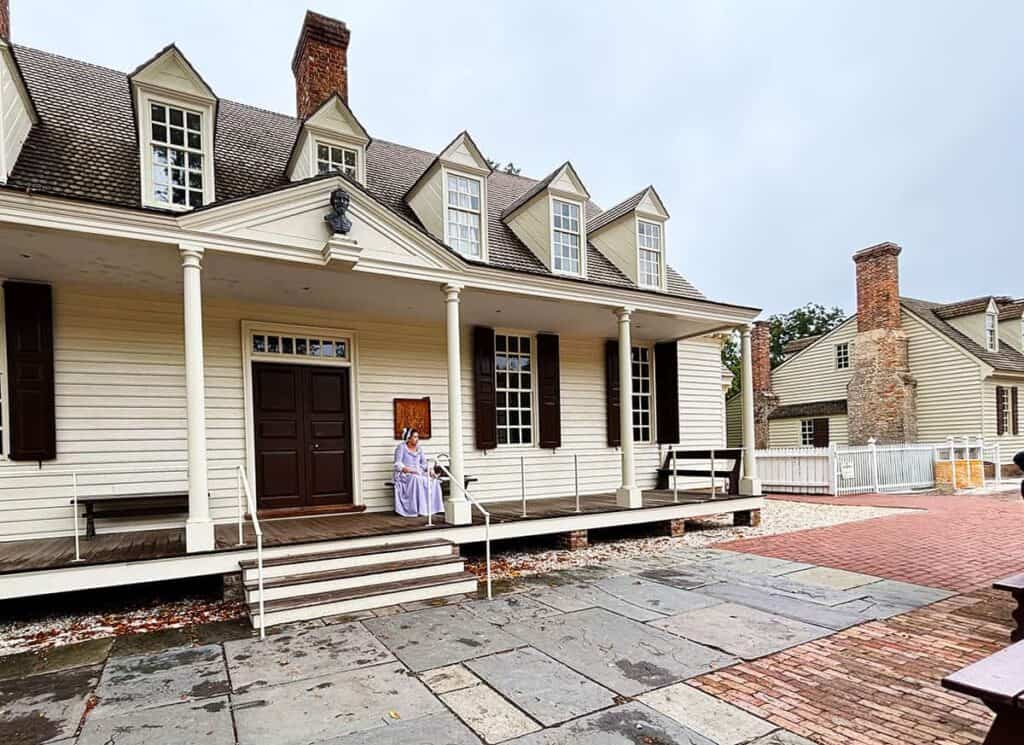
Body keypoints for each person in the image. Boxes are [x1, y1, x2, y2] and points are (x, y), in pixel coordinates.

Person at [393, 427, 443, 517]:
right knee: (416, 479)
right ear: (409, 438)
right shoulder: (401, 448)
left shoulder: (419, 449)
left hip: (418, 472)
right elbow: (398, 464)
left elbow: (424, 463)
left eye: (417, 437)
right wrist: (409, 470)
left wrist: (430, 469)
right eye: (415, 437)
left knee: (433, 480)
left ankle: (434, 508)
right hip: (405, 474)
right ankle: (417, 509)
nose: (417, 439)